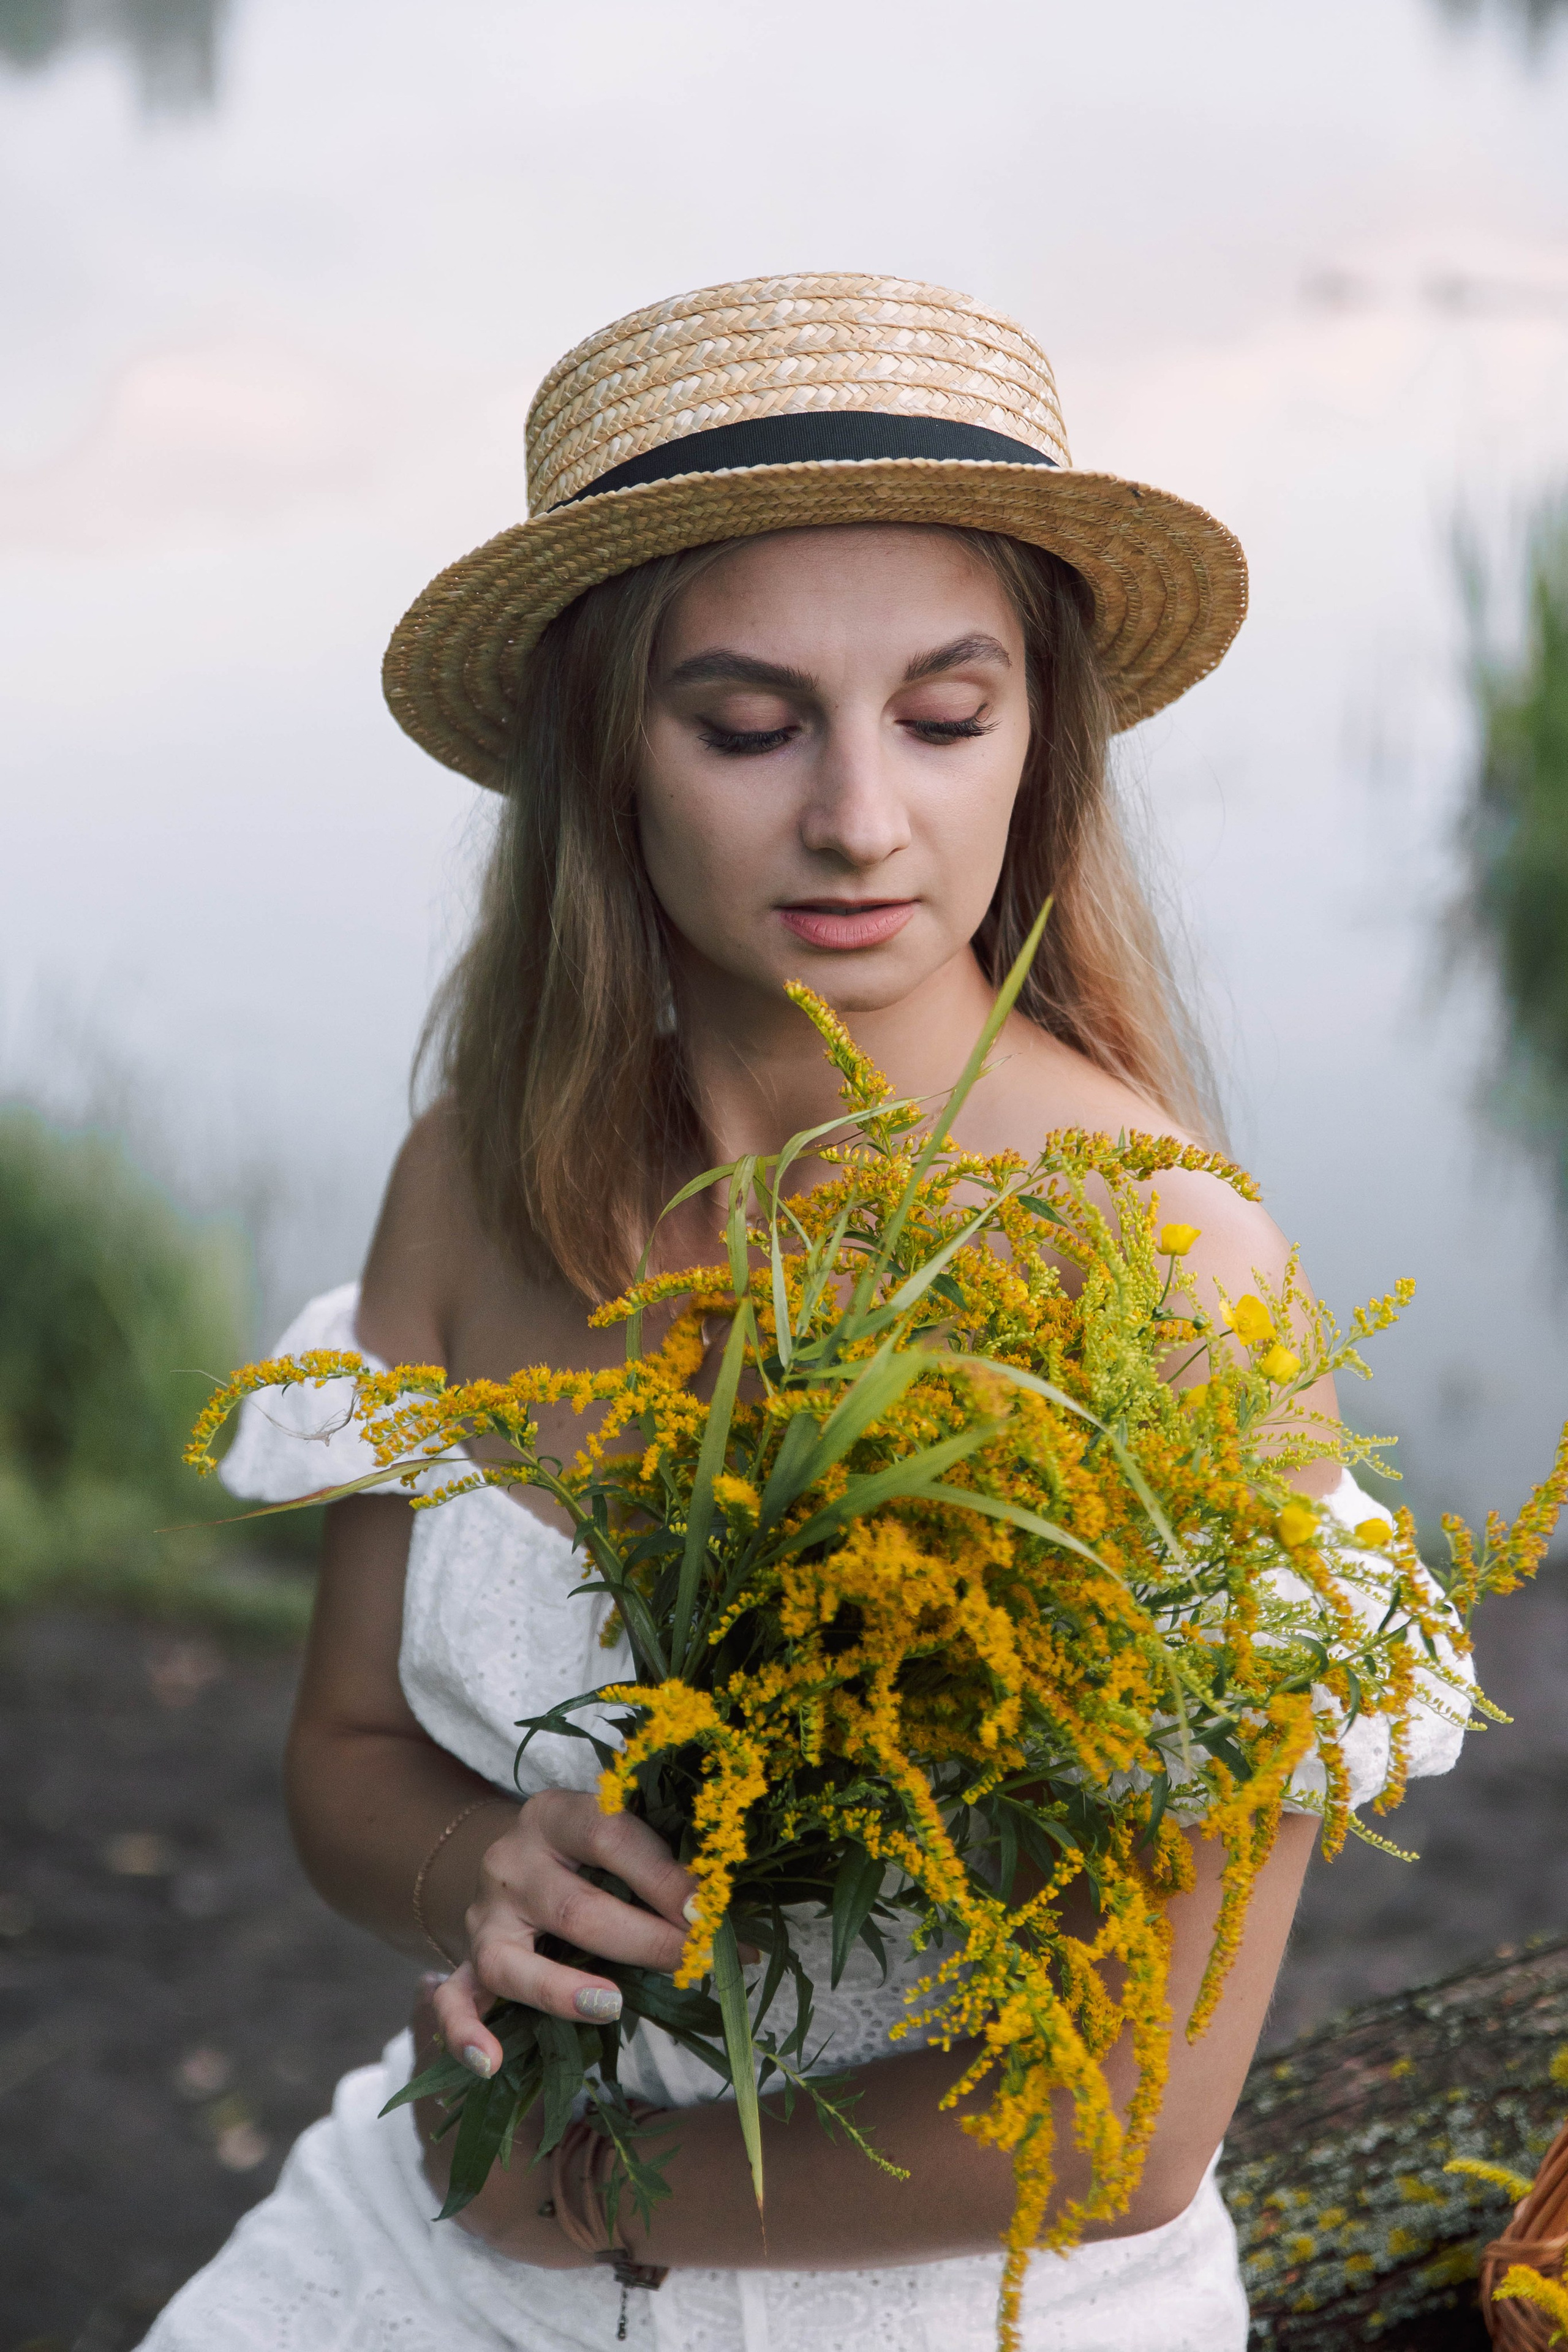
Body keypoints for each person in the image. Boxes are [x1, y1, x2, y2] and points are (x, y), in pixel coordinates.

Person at [142, 273, 1468, 2352]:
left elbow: (1132, 2111)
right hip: (436, 2219)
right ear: (606, 759)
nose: (862, 816)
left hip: (962, 2292)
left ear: (1042, 740)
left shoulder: (1167, 1266)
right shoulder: (471, 1177)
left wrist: (590, 2194)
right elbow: (343, 1756)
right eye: (749, 726)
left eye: (947, 719)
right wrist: (483, 1864)